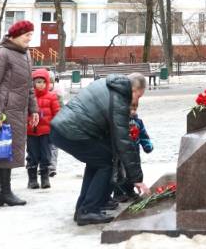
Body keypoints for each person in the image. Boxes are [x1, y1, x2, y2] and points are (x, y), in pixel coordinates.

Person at [50, 73, 149, 226]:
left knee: (98, 160)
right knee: (106, 163)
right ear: (134, 89)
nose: (136, 101)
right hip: (71, 130)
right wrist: (136, 179)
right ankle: (88, 209)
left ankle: (84, 207)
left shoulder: (108, 84)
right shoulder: (120, 99)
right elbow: (122, 139)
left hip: (62, 128)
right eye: (139, 96)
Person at [0, 20, 38, 207]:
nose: (29, 39)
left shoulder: (25, 54)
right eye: (26, 35)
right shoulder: (1, 54)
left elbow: (29, 85)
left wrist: (34, 109)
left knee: (6, 148)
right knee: (5, 150)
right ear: (15, 36)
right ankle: (5, 193)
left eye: (31, 35)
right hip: (5, 109)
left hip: (19, 109)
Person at [27, 67, 61, 190]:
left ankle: (45, 177)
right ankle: (32, 179)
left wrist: (56, 126)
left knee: (46, 155)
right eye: (37, 82)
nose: (40, 85)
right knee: (33, 155)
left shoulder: (52, 97)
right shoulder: (30, 98)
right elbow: (24, 113)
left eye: (43, 82)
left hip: (46, 132)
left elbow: (57, 113)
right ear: (33, 83)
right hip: (31, 132)